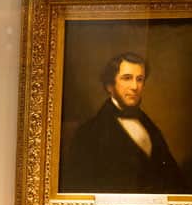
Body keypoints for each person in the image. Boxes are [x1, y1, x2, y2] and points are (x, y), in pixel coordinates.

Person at [60, 52, 184, 193]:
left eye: (140, 79)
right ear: (109, 86)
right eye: (127, 78)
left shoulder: (150, 127)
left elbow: (174, 179)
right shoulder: (89, 133)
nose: (135, 86)